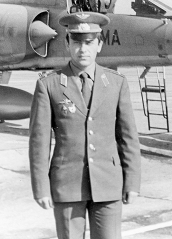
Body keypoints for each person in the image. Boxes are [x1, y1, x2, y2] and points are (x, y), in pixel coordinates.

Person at [29, 12, 141, 238]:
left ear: (99, 44)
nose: (83, 49)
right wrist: (41, 186)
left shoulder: (116, 84)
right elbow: (39, 142)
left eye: (89, 42)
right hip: (67, 186)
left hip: (108, 184)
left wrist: (132, 181)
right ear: (67, 43)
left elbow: (128, 137)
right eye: (77, 41)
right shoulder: (48, 85)